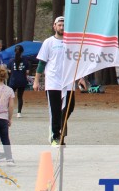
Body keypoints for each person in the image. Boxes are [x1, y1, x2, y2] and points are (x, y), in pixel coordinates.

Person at [35, 15, 86, 146]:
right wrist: (36, 80)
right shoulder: (49, 42)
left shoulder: (71, 43)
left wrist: (81, 78)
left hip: (68, 81)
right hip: (53, 81)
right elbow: (41, 63)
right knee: (55, 109)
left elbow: (77, 62)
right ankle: (55, 136)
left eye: (64, 25)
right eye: (59, 25)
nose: (62, 27)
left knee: (70, 107)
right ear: (54, 26)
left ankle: (58, 127)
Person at [8, 45, 30, 117]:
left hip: (13, 81)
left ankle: (8, 111)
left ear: (14, 51)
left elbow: (9, 71)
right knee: (20, 97)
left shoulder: (11, 60)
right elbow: (27, 72)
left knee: (10, 97)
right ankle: (19, 113)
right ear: (22, 52)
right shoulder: (25, 60)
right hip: (22, 81)